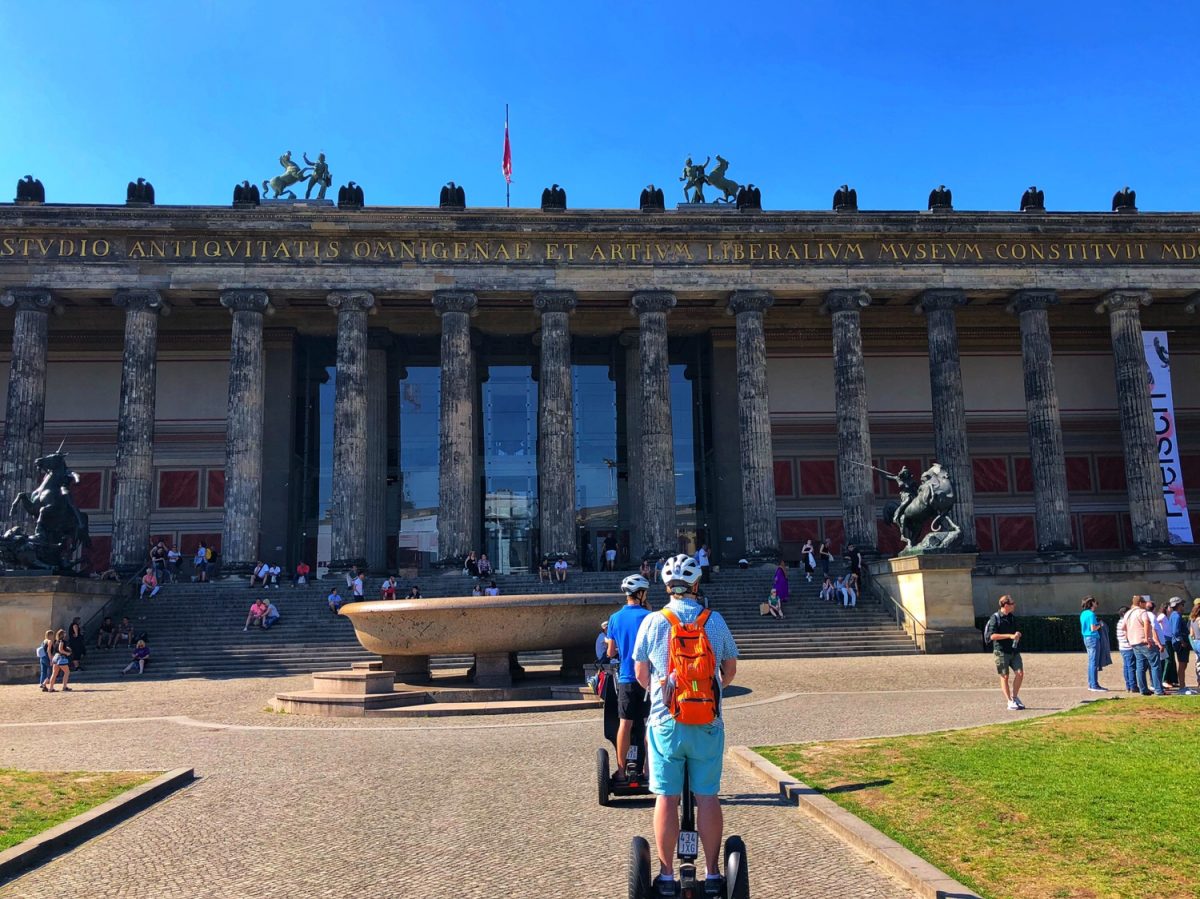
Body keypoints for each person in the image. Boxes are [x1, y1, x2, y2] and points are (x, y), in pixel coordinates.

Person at [633, 554, 738, 894]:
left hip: (666, 722)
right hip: (707, 720)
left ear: (666, 586)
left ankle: (665, 877)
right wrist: (712, 689)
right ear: (696, 584)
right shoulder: (715, 620)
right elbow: (730, 669)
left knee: (666, 797)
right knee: (707, 796)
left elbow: (639, 673)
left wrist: (660, 694)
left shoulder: (652, 622)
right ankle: (711, 874)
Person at [605, 574, 652, 782]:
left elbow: (610, 652)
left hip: (626, 678)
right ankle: (649, 770)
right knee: (649, 724)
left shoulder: (615, 618)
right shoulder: (650, 616)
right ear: (641, 594)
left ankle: (622, 771)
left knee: (625, 724)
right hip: (648, 679)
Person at [983, 595, 1025, 710]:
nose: (1014, 605)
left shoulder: (1012, 617)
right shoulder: (995, 618)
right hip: (1001, 651)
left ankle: (1015, 697)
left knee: (1020, 673)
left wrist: (1017, 634)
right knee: (1004, 676)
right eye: (1012, 603)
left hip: (1014, 650)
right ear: (1006, 605)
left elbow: (1018, 629)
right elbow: (992, 636)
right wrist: (1009, 636)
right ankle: (1009, 701)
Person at [1122, 596, 1163, 696]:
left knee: (1140, 666)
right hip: (1144, 641)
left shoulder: (1128, 613)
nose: (1145, 604)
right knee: (1155, 664)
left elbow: (1124, 627)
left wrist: (1129, 639)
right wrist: (1147, 638)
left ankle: (1143, 689)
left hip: (1134, 642)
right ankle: (1158, 689)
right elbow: (1147, 624)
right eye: (1144, 602)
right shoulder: (1142, 612)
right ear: (1140, 603)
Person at [1080, 595, 1106, 692]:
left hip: (1086, 638)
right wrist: (1100, 625)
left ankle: (1092, 683)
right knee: (1094, 662)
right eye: (1095, 602)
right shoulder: (1091, 614)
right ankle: (1094, 685)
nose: (1096, 603)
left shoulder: (1083, 614)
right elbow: (1093, 628)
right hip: (1093, 638)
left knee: (1091, 662)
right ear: (1091, 603)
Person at [1165, 597, 1189, 692]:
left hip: (1178, 643)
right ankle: (1182, 686)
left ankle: (1182, 685)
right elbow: (1175, 632)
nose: (1183, 606)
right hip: (1180, 644)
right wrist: (1182, 642)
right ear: (1178, 605)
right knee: (1182, 665)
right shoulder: (1176, 616)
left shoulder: (1174, 615)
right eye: (1182, 604)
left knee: (1183, 664)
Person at [1115, 605, 1137, 693]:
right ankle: (1133, 686)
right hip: (1128, 647)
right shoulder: (1125, 622)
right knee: (1131, 666)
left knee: (1126, 666)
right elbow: (1127, 634)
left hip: (1122, 647)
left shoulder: (1120, 622)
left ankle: (1128, 685)